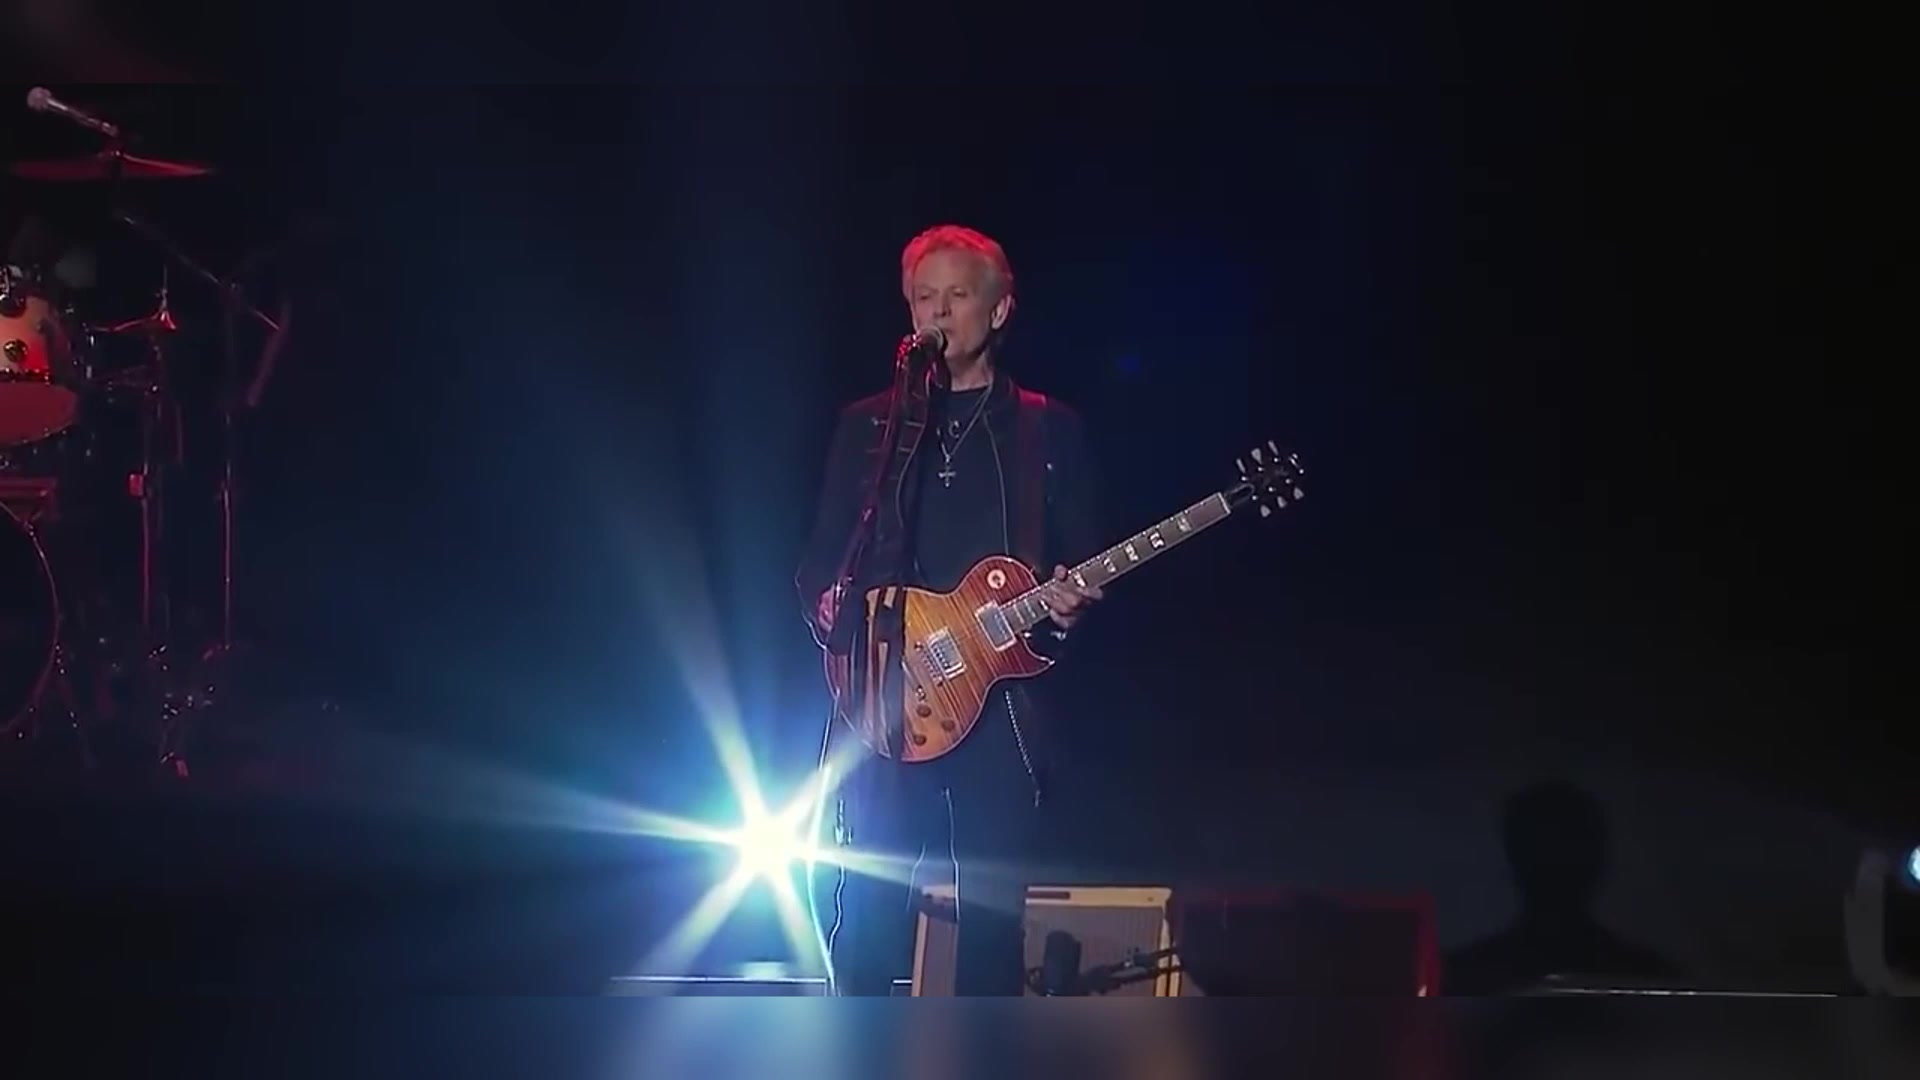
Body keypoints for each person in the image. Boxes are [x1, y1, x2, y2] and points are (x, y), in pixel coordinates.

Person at [796, 224, 1105, 995]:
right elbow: (821, 553)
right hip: (885, 696)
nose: (936, 313)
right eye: (923, 297)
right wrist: (827, 602)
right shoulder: (869, 426)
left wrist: (1068, 606)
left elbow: (1080, 557)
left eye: (957, 297)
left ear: (998, 312)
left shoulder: (1045, 428)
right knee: (867, 917)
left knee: (991, 926)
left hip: (998, 704)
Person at [1444, 780, 1676, 994]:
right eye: (1543, 850)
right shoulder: (1651, 976)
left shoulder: (1463, 974)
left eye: (1567, 849)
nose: (1555, 864)